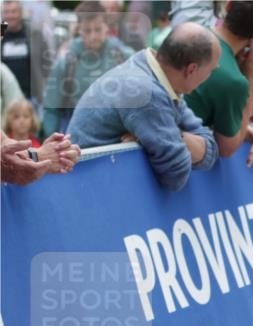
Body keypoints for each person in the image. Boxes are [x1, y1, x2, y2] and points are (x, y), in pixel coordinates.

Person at [66, 22, 220, 192]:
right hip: (90, 190)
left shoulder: (152, 69)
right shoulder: (146, 92)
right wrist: (161, 136)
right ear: (191, 70)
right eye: (211, 71)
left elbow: (210, 148)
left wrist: (164, 136)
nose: (209, 76)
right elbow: (176, 176)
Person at [184, 0, 253, 181]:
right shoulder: (234, 81)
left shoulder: (186, 34)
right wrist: (251, 80)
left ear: (228, 5)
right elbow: (227, 148)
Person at [41, 1, 135, 137]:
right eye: (87, 30)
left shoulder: (124, 57)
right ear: (79, 30)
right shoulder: (66, 64)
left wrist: (134, 132)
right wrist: (52, 142)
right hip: (76, 138)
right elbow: (52, 109)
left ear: (107, 27)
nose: (93, 36)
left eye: (98, 29)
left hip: (117, 136)